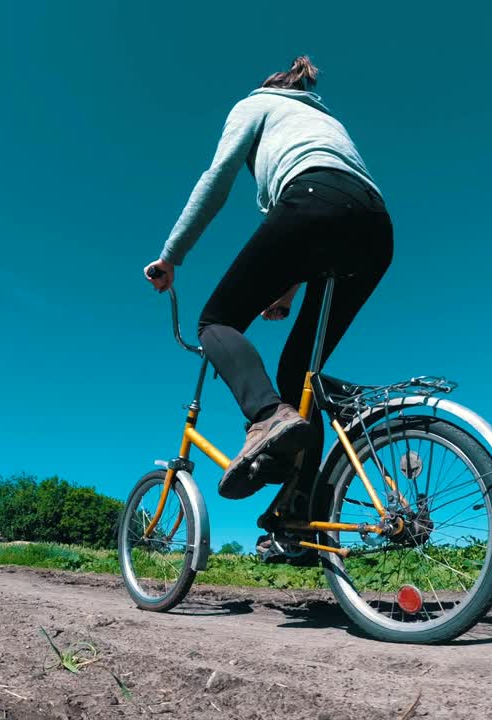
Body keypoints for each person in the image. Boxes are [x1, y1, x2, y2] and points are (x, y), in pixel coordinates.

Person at [144, 56, 393, 502]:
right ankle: (301, 509)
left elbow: (216, 179)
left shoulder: (255, 104)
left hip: (313, 200)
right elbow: (319, 228)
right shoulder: (320, 117)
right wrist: (286, 294)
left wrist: (171, 256)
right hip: (374, 227)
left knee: (216, 323)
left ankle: (266, 417)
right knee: (301, 373)